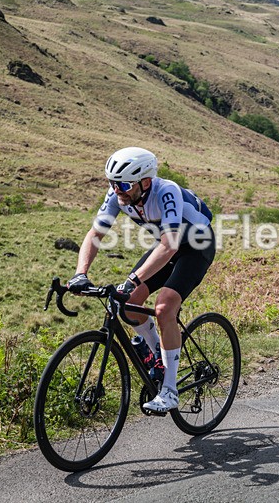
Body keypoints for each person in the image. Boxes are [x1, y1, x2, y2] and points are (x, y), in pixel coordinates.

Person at [67, 147, 215, 412]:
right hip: (167, 245)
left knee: (164, 307)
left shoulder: (166, 191)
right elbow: (95, 234)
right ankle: (157, 352)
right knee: (129, 304)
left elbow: (170, 245)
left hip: (196, 245)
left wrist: (132, 279)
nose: (117, 190)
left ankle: (170, 391)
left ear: (145, 182)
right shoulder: (118, 194)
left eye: (123, 184)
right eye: (112, 183)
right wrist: (80, 273)